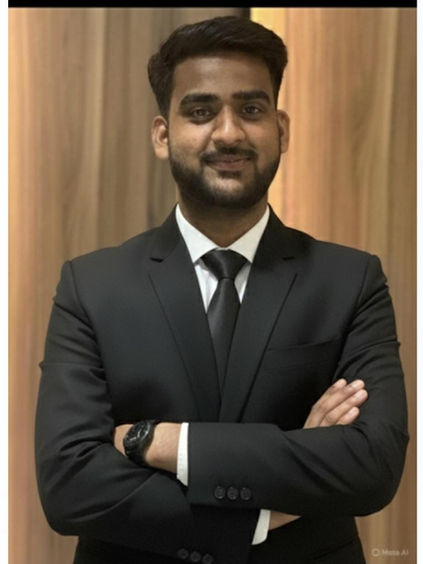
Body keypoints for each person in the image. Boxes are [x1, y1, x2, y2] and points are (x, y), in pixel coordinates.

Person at [35, 15, 408, 564]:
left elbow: (371, 466)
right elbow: (69, 485)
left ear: (281, 129)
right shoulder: (91, 286)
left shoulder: (350, 281)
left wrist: (161, 442)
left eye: (251, 110)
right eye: (201, 111)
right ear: (163, 135)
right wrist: (266, 508)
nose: (229, 132)